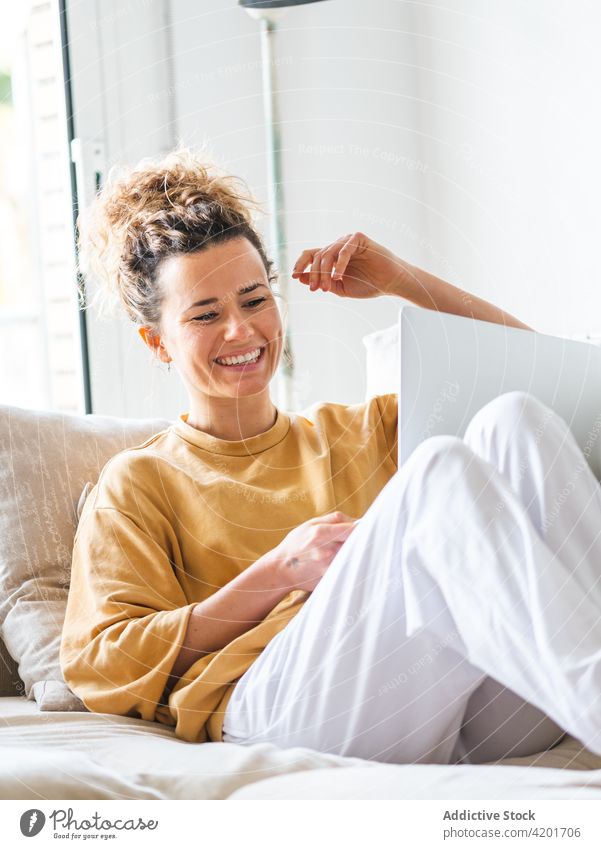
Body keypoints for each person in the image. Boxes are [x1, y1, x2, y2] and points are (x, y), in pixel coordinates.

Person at [60, 148, 601, 764]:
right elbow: (102, 663)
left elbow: (555, 381)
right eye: (206, 314)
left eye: (255, 300)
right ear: (157, 342)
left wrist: (400, 280)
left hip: (449, 703)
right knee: (441, 470)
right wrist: (278, 573)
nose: (240, 331)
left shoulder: (358, 431)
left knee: (517, 419)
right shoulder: (141, 481)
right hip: (276, 705)